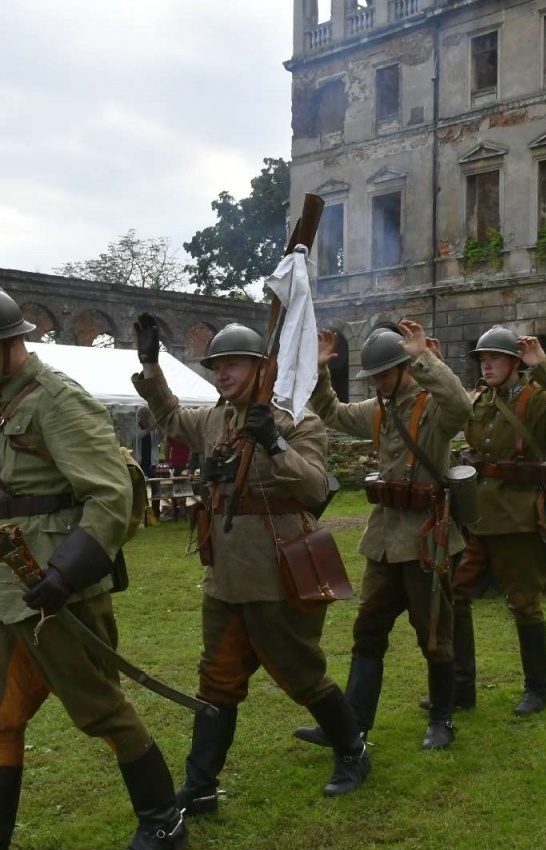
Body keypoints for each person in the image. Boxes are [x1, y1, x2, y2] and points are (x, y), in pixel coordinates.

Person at [0, 280, 186, 850]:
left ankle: (163, 822)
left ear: (11, 345)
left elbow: (110, 497)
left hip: (56, 586)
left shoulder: (60, 400)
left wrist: (65, 574)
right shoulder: (6, 401)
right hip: (5, 584)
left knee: (102, 709)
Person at [134, 317, 369, 815]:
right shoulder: (217, 419)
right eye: (216, 365)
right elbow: (172, 418)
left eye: (233, 364)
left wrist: (274, 444)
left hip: (277, 570)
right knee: (216, 679)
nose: (222, 373)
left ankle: (352, 750)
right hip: (224, 575)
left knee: (302, 673)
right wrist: (151, 366)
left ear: (263, 368)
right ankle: (200, 786)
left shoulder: (295, 421)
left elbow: (316, 489)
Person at [299, 320, 472, 751]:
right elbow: (332, 413)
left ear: (401, 369)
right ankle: (353, 725)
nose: (376, 383)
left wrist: (424, 358)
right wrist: (320, 370)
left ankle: (442, 718)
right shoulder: (379, 409)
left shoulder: (433, 409)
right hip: (383, 540)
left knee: (433, 634)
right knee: (368, 631)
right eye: (372, 377)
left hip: (425, 540)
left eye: (381, 374)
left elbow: (461, 407)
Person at [446, 327, 546, 716]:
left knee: (524, 604)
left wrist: (542, 365)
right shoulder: (479, 400)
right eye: (482, 358)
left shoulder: (538, 399)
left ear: (514, 361)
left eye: (494, 357)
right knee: (455, 594)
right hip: (476, 517)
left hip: (519, 518)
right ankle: (461, 688)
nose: (487, 364)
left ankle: (536, 689)